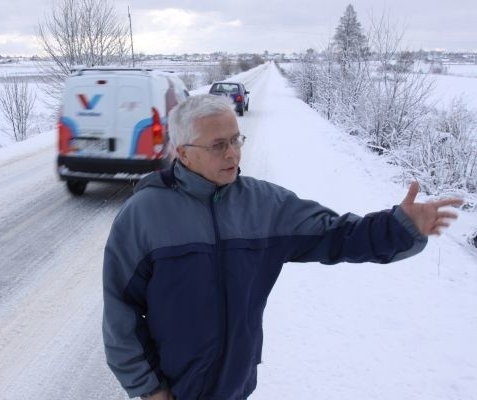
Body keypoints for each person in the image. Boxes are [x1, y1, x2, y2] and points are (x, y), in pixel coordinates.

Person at [102, 94, 463, 400]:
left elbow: (337, 235)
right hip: (172, 390)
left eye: (236, 140)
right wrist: (149, 389)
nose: (232, 154)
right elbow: (121, 311)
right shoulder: (144, 215)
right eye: (218, 145)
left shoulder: (265, 205)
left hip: (234, 386)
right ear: (182, 152)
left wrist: (399, 227)